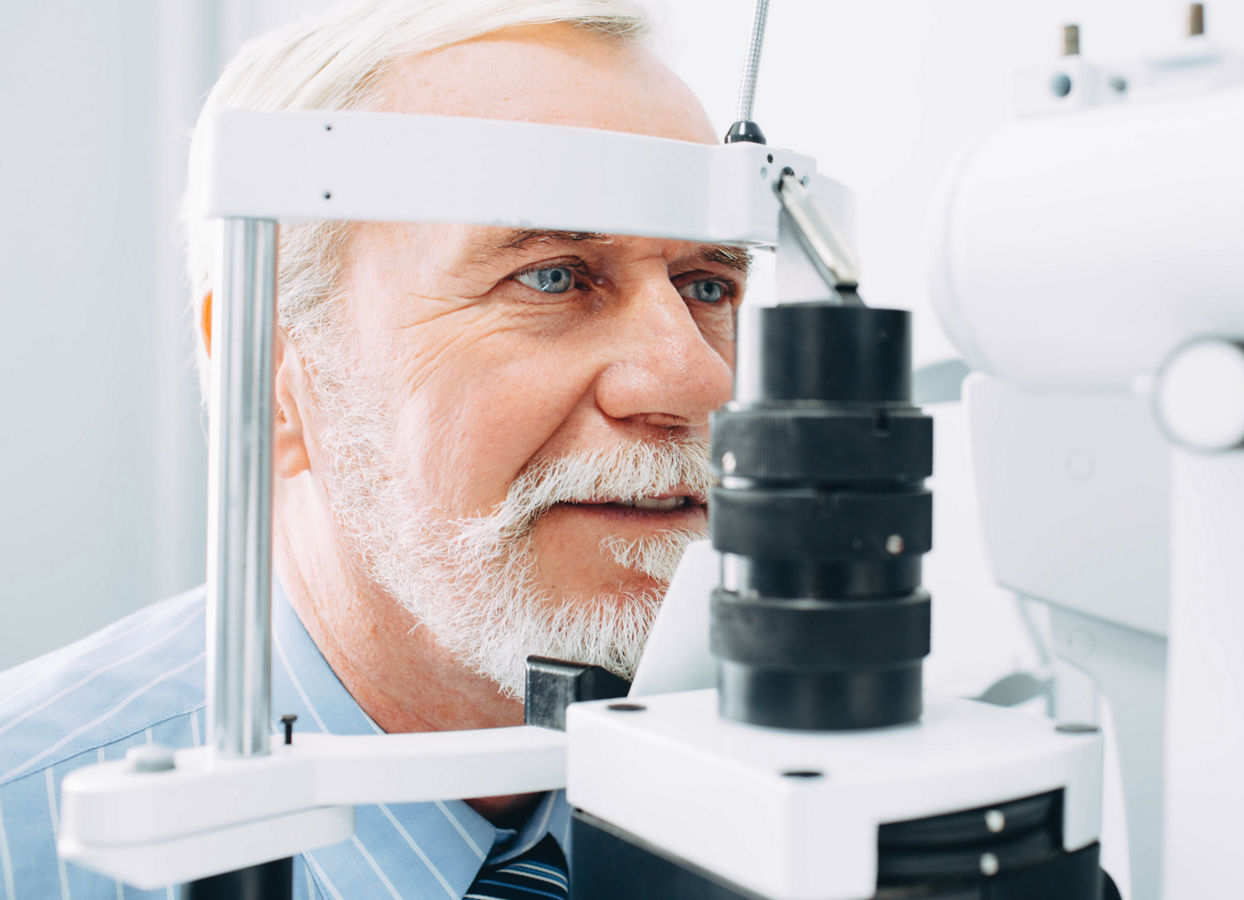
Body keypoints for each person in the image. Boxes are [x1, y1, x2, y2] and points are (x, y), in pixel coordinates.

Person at [0, 1, 749, 896]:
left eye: (707, 284)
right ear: (271, 371)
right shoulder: (26, 834)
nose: (695, 379)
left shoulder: (827, 799)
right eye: (551, 277)